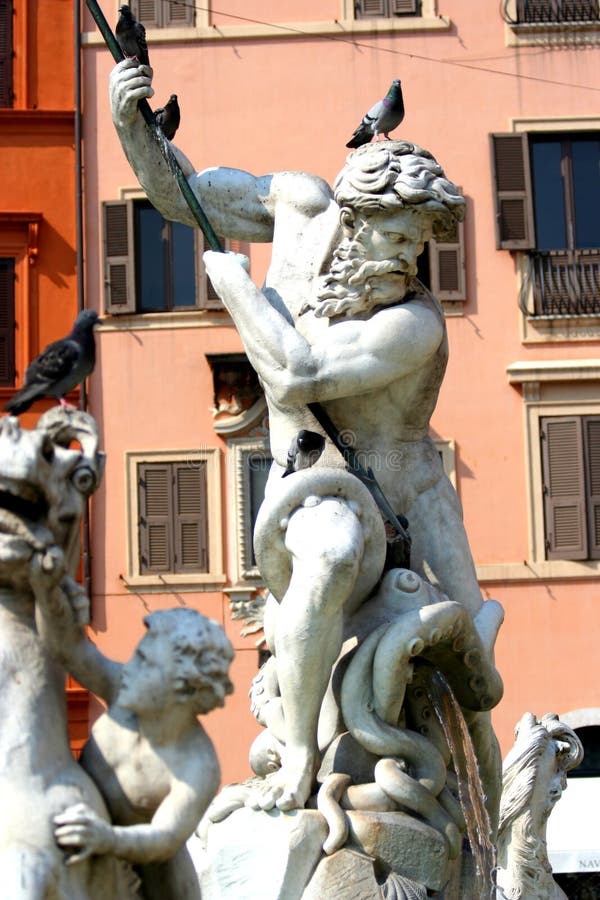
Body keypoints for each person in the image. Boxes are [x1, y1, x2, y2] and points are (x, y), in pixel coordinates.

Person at [109, 59, 496, 815]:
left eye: (418, 245)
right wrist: (132, 126)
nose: (407, 259)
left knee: (475, 685)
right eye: (397, 236)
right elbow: (182, 193)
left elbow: (295, 376)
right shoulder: (295, 205)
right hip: (317, 486)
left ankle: (492, 837)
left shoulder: (413, 323)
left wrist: (236, 289)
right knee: (329, 553)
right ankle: (299, 753)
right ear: (353, 217)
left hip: (406, 503)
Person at [31, 549, 234, 900]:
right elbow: (71, 651)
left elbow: (164, 837)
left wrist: (106, 838)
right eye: (137, 656)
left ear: (182, 688)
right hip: (88, 852)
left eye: (145, 663)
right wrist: (55, 600)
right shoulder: (123, 689)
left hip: (159, 888)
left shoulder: (196, 764)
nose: (130, 668)